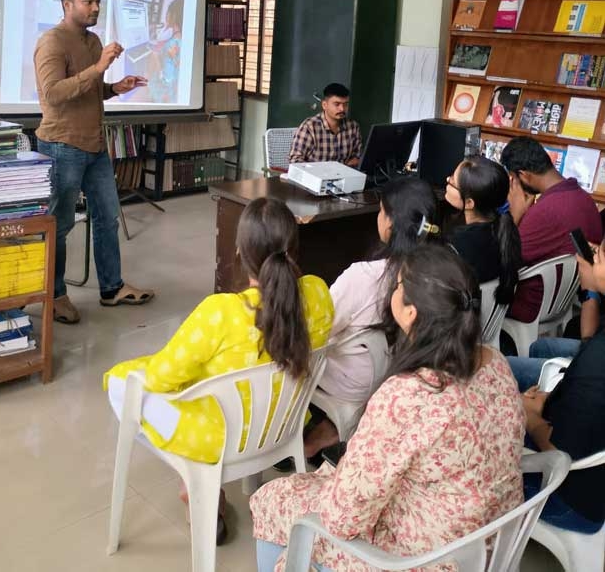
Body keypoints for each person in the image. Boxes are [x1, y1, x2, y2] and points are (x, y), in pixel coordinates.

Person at [251, 243, 525, 572]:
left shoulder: (408, 396)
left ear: (410, 313)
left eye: (397, 285)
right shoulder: (496, 364)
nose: (392, 290)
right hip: (488, 540)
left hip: (423, 557)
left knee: (273, 499)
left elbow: (343, 518)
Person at [104, 197, 333, 545]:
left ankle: (193, 481)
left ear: (241, 251)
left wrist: (136, 370)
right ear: (294, 248)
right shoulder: (317, 293)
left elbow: (161, 379)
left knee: (122, 383)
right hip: (283, 424)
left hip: (220, 439)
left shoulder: (220, 313)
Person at [34, 0, 155, 325]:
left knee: (107, 218)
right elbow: (53, 94)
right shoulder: (51, 42)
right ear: (67, 4)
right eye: (88, 2)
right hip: (62, 145)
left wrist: (115, 86)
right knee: (60, 225)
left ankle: (111, 288)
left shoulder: (92, 40)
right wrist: (100, 67)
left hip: (94, 144)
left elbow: (88, 89)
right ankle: (54, 296)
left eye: (97, 2)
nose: (95, 8)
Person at [303, 176, 438, 459]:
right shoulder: (436, 270)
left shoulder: (363, 275)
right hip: (398, 368)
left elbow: (322, 327)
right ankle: (329, 430)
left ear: (389, 222)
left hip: (354, 378)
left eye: (380, 211)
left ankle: (291, 439)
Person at [501, 136, 601, 322]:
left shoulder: (545, 211)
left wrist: (516, 214)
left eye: (513, 179)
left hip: (533, 304)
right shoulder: (583, 198)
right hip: (565, 300)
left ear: (524, 175)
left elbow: (505, 259)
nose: (512, 186)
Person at [520, 329, 605, 534]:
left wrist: (529, 415)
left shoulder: (599, 355)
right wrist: (546, 401)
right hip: (589, 480)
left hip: (568, 500)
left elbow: (558, 449)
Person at [509, 240, 605, 391]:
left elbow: (589, 344)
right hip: (593, 357)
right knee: (541, 346)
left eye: (600, 256)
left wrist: (590, 289)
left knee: (506, 365)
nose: (595, 259)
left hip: (591, 376)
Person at [445, 156, 521, 305]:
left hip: (461, 321)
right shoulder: (506, 230)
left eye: (453, 182)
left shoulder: (456, 245)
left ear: (469, 203)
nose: (447, 180)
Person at [289, 83, 362, 167]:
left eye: (345, 104)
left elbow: (358, 156)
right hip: (315, 176)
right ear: (324, 105)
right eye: (337, 104)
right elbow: (295, 161)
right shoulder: (309, 127)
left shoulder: (353, 126)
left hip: (343, 176)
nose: (342, 109)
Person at [147, 0, 183, 103]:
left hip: (164, 95)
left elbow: (167, 79)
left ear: (173, 16)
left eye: (168, 12)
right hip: (173, 91)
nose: (166, 15)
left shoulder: (172, 44)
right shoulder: (180, 38)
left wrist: (156, 59)